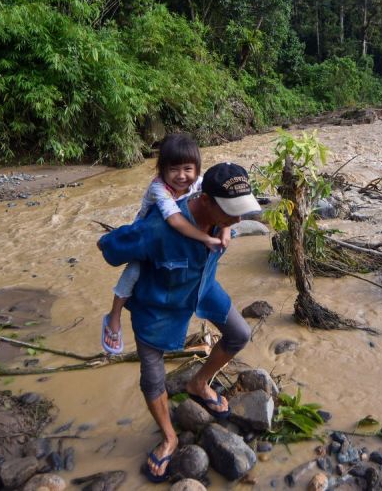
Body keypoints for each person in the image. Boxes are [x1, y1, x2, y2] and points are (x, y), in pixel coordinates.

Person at [97, 162, 261, 483]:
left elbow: (230, 223)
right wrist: (127, 242)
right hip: (157, 307)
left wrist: (226, 227)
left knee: (239, 333)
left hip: (202, 288)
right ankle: (169, 436)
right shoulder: (158, 229)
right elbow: (109, 247)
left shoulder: (222, 221)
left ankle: (198, 383)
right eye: (231, 212)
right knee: (152, 377)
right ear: (206, 200)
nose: (238, 219)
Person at [101, 134, 230, 354]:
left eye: (188, 169)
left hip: (177, 233)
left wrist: (226, 228)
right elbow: (174, 220)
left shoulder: (199, 182)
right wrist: (206, 238)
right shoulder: (158, 188)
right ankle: (113, 317)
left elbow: (222, 201)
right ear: (162, 170)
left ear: (197, 169)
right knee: (133, 271)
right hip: (147, 234)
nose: (181, 176)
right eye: (174, 169)